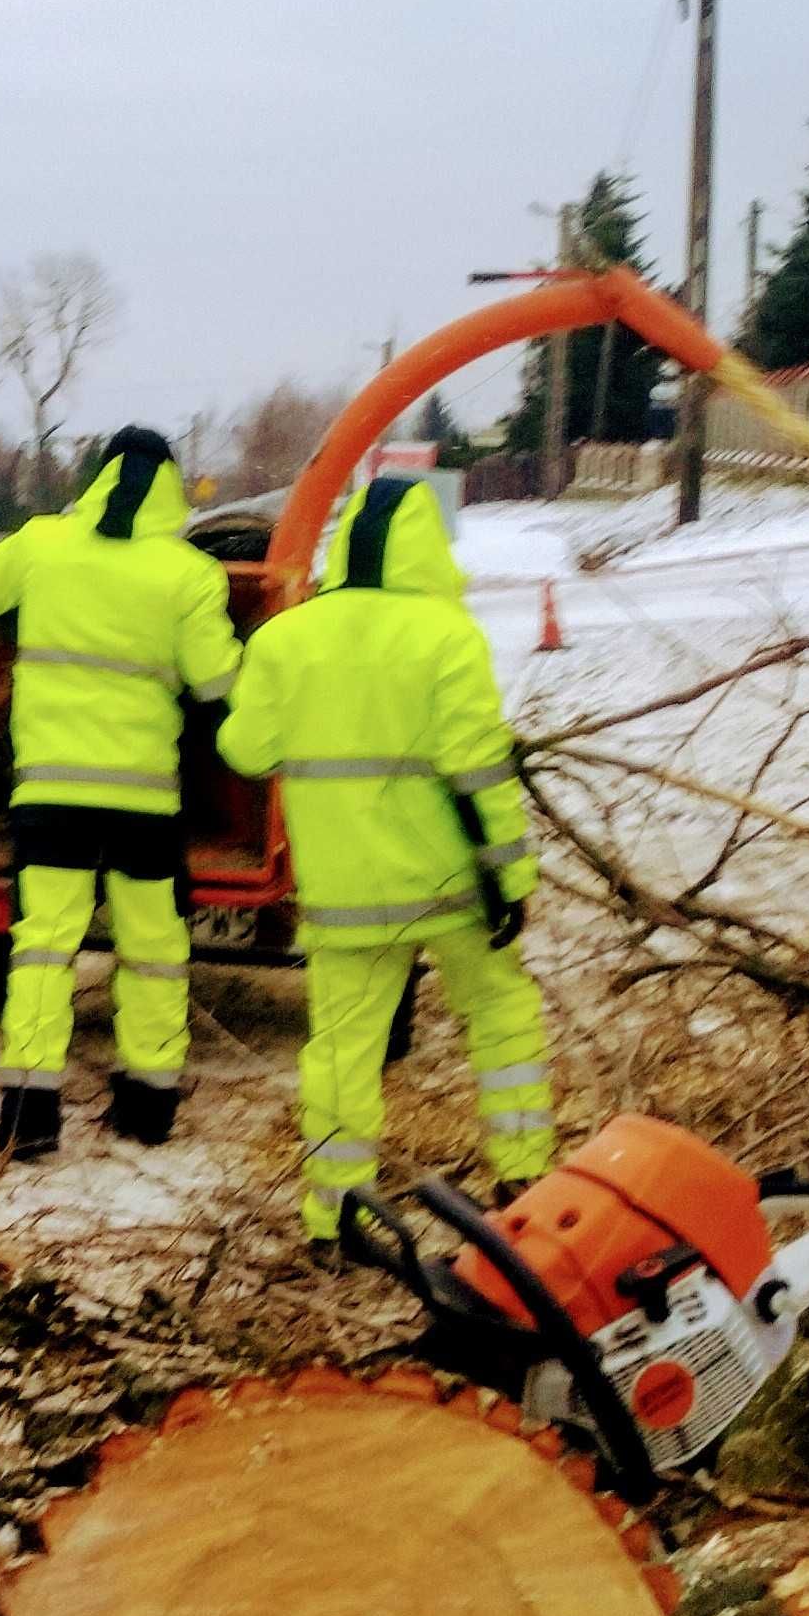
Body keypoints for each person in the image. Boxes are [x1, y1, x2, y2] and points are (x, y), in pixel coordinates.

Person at [217, 472, 553, 1249]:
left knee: (341, 1054)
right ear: (426, 547)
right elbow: (477, 771)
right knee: (501, 1020)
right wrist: (510, 877)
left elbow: (244, 749)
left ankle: (335, 1218)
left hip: (346, 893)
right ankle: (523, 1178)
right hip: (451, 886)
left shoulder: (286, 637)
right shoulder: (445, 636)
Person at [0, 426, 237, 1157]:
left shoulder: (43, 544)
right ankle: (149, 1105)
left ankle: (30, 1117)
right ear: (171, 487)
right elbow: (218, 682)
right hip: (144, 804)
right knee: (155, 949)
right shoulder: (191, 574)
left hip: (52, 796)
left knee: (42, 949)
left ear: (99, 478)